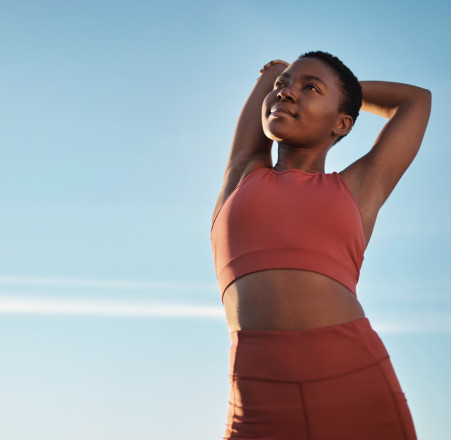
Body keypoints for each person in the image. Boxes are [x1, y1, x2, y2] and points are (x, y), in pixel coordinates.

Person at [210, 51, 431, 440]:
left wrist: (344, 94)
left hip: (356, 386)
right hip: (257, 400)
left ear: (342, 123)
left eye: (310, 87)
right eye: (282, 89)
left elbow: (416, 100)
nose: (287, 93)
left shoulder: (358, 189)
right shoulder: (244, 172)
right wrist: (280, 77)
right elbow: (273, 77)